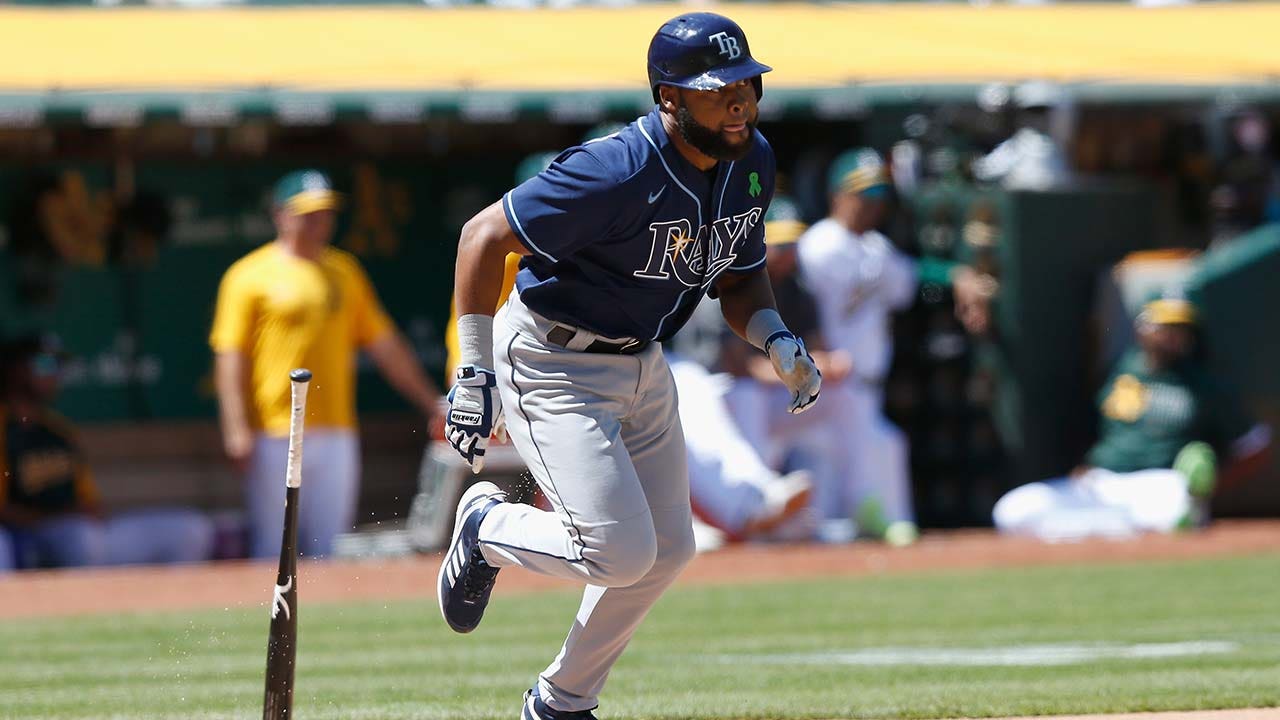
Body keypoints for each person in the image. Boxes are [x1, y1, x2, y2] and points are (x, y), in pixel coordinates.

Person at [438, 13, 820, 719]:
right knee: (617, 552)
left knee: (668, 549)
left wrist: (773, 336)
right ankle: (486, 528)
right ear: (669, 97)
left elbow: (740, 277)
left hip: (644, 362)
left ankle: (560, 702)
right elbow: (483, 235)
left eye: (747, 84)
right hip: (553, 358)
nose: (740, 101)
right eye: (718, 90)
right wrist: (472, 370)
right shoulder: (614, 168)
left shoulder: (752, 159)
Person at [209, 170, 441, 560]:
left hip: (336, 427)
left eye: (326, 212)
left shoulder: (344, 270)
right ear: (281, 215)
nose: (320, 222)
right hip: (275, 428)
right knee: (273, 547)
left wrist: (430, 401)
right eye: (308, 213)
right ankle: (270, 623)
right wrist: (236, 427)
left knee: (328, 547)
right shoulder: (248, 274)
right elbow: (230, 356)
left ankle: (321, 622)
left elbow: (386, 346)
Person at [992, 294, 1272, 540]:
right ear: (1142, 330)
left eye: (1180, 329)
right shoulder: (1120, 370)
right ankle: (1111, 532)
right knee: (1013, 510)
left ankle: (1089, 533)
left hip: (1159, 481)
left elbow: (1256, 445)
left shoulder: (1205, 385)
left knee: (1176, 513)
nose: (1171, 336)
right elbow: (1087, 426)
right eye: (1163, 327)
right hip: (1102, 481)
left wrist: (1211, 487)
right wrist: (1082, 463)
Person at [793, 149, 923, 543]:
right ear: (839, 195)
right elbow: (797, 311)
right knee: (828, 511)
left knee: (878, 464)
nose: (872, 207)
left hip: (866, 386)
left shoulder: (876, 248)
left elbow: (913, 282)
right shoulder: (817, 245)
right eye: (863, 196)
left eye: (879, 198)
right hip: (826, 386)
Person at [0, 334, 213, 571]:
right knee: (80, 538)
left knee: (190, 530)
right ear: (15, 369)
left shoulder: (60, 431)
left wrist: (83, 513)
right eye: (45, 364)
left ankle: (164, 606)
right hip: (29, 540)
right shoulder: (4, 428)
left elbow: (90, 502)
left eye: (59, 365)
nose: (54, 374)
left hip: (84, 534)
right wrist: (61, 517)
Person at [972, 81, 1072, 191]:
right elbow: (984, 171)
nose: (1037, 118)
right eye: (1032, 111)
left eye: (1042, 111)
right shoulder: (1016, 145)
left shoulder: (1054, 145)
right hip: (1019, 198)